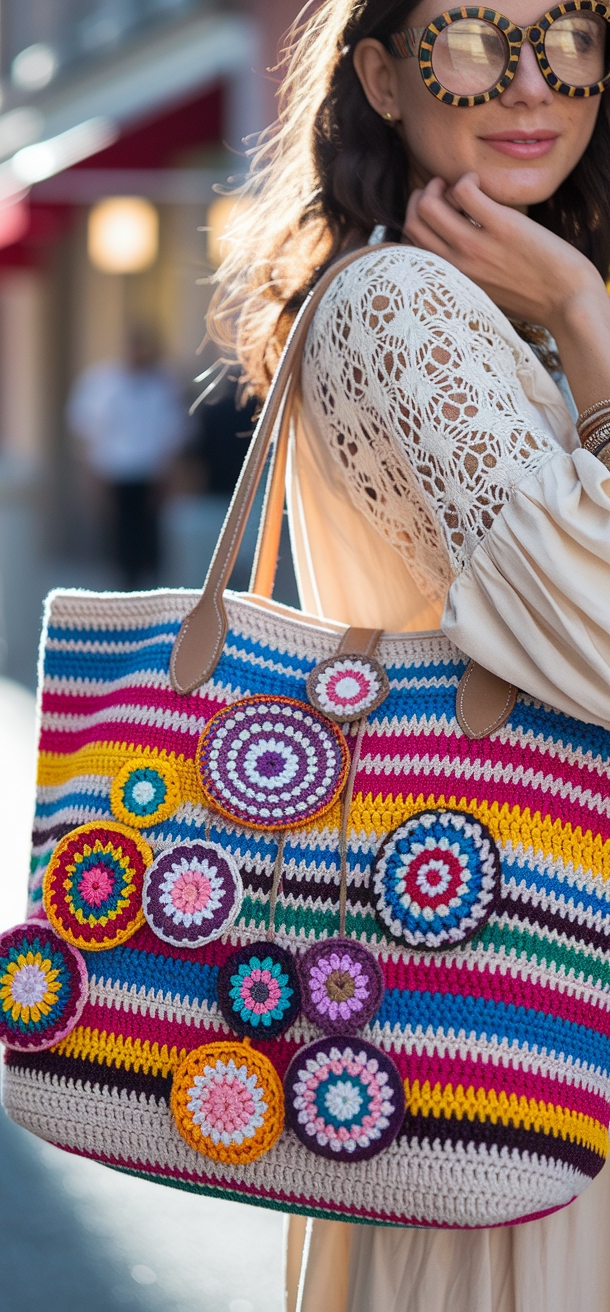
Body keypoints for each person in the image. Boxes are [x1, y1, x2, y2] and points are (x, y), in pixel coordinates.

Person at [207, 0, 610, 1309]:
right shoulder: (400, 308)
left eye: (574, 37)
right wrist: (589, 315)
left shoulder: (509, 310)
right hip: (504, 1027)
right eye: (478, 41)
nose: (531, 83)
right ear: (382, 72)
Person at [67, 329, 189, 588]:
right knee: (119, 533)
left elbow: (174, 431)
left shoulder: (163, 384)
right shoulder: (103, 382)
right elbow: (88, 427)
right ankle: (123, 583)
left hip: (150, 471)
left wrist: (169, 471)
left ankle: (147, 584)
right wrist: (91, 470)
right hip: (115, 470)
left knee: (148, 533)